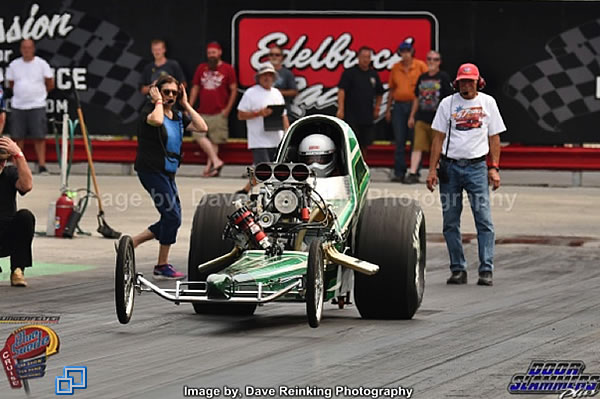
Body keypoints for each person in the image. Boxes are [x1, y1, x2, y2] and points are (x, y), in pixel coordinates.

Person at [426, 63, 505, 287]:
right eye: (462, 81)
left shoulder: (488, 102)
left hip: (477, 168)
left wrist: (495, 167)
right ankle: (458, 269)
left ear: (478, 82)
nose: (466, 85)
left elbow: (494, 137)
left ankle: (486, 269)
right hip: (450, 168)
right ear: (456, 82)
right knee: (450, 222)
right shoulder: (447, 104)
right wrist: (432, 169)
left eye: (470, 81)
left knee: (484, 220)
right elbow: (438, 138)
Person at [132, 75, 208, 280]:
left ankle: (133, 242)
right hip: (151, 171)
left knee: (173, 217)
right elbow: (156, 120)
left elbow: (202, 127)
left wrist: (186, 104)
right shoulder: (149, 112)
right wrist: (157, 101)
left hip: (168, 173)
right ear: (156, 91)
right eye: (167, 92)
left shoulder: (177, 116)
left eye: (175, 92)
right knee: (172, 216)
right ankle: (162, 265)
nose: (171, 96)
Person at [237, 62, 289, 194]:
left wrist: (287, 134)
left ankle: (246, 190)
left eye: (270, 75)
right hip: (259, 139)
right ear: (259, 77)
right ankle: (271, 193)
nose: (267, 78)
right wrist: (258, 113)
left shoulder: (277, 93)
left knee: (269, 169)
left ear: (274, 78)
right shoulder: (251, 93)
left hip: (276, 138)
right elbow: (240, 115)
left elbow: (283, 115)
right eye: (264, 75)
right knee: (265, 169)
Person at [5, 39, 55, 175]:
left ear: (33, 49)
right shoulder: (14, 65)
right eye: (24, 48)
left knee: (39, 136)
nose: (26, 50)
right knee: (17, 137)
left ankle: (42, 165)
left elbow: (50, 83)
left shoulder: (41, 64)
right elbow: (11, 84)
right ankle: (16, 167)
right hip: (18, 105)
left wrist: (37, 93)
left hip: (37, 104)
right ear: (21, 49)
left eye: (29, 48)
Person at [404, 50, 453, 184]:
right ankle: (413, 172)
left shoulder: (443, 77)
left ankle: (437, 173)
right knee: (417, 146)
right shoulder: (422, 77)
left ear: (439, 62)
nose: (432, 62)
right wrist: (412, 116)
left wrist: (448, 117)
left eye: (435, 59)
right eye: (430, 59)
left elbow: (449, 99)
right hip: (421, 117)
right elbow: (416, 98)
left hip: (438, 119)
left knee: (437, 147)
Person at [189, 42, 235, 177]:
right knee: (198, 135)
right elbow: (195, 87)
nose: (211, 55)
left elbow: (233, 90)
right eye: (209, 53)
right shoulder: (201, 68)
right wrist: (190, 106)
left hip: (219, 111)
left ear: (219, 53)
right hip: (202, 111)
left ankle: (211, 167)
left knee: (215, 140)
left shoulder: (228, 69)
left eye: (214, 53)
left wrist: (227, 109)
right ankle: (216, 161)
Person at [385, 37, 427, 182]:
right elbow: (392, 89)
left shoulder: (420, 66)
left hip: (415, 105)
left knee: (416, 140)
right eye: (403, 51)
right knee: (399, 140)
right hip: (399, 105)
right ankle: (399, 172)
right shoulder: (396, 68)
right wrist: (388, 109)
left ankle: (415, 171)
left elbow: (427, 84)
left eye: (408, 51)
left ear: (412, 52)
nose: (405, 54)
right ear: (400, 53)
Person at [336, 46, 384, 155]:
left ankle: (362, 164)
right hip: (351, 114)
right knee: (351, 142)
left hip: (367, 115)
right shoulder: (350, 73)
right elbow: (341, 90)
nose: (365, 60)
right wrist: (341, 109)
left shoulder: (373, 75)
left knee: (365, 143)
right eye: (363, 57)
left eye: (368, 57)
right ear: (358, 57)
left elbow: (380, 93)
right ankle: (350, 164)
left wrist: (377, 108)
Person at [0, 136, 34, 287]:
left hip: (7, 235)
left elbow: (26, 186)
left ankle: (18, 269)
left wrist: (19, 155)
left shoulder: (10, 173)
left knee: (25, 216)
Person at [269, 44, 298, 123]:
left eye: (277, 55)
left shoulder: (287, 73)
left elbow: (294, 92)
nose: (274, 57)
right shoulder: (262, 73)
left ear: (282, 57)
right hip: (265, 111)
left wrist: (276, 92)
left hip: (283, 111)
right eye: (271, 54)